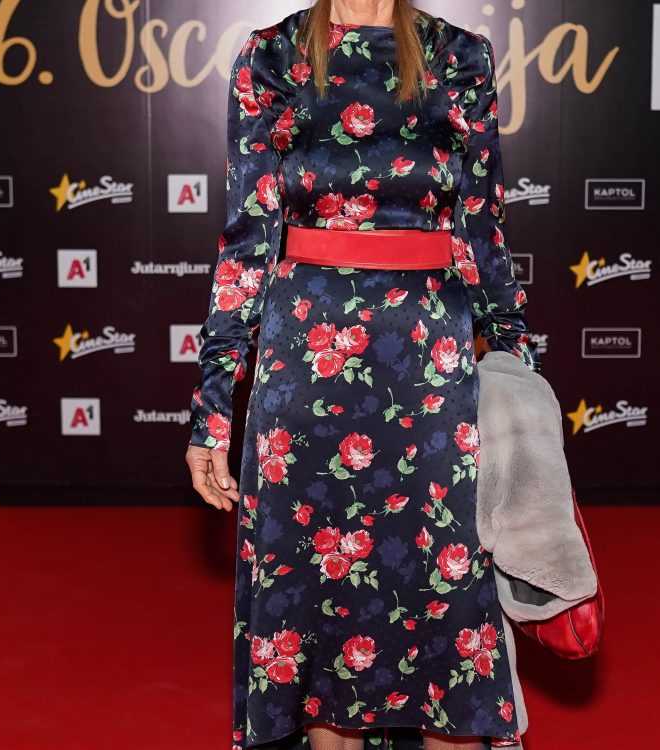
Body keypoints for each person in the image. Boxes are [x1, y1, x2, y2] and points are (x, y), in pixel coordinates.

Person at [183, 1, 535, 748]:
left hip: (430, 370)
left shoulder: (460, 56)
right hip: (306, 367)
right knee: (321, 621)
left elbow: (482, 227)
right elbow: (246, 241)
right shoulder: (271, 58)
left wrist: (517, 362)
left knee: (448, 612)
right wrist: (213, 410)